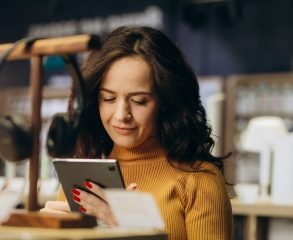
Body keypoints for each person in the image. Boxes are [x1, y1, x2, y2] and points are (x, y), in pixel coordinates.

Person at [41, 26, 232, 239]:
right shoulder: (83, 181)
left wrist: (128, 229)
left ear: (165, 102)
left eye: (139, 101)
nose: (121, 114)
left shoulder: (198, 181)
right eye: (109, 99)